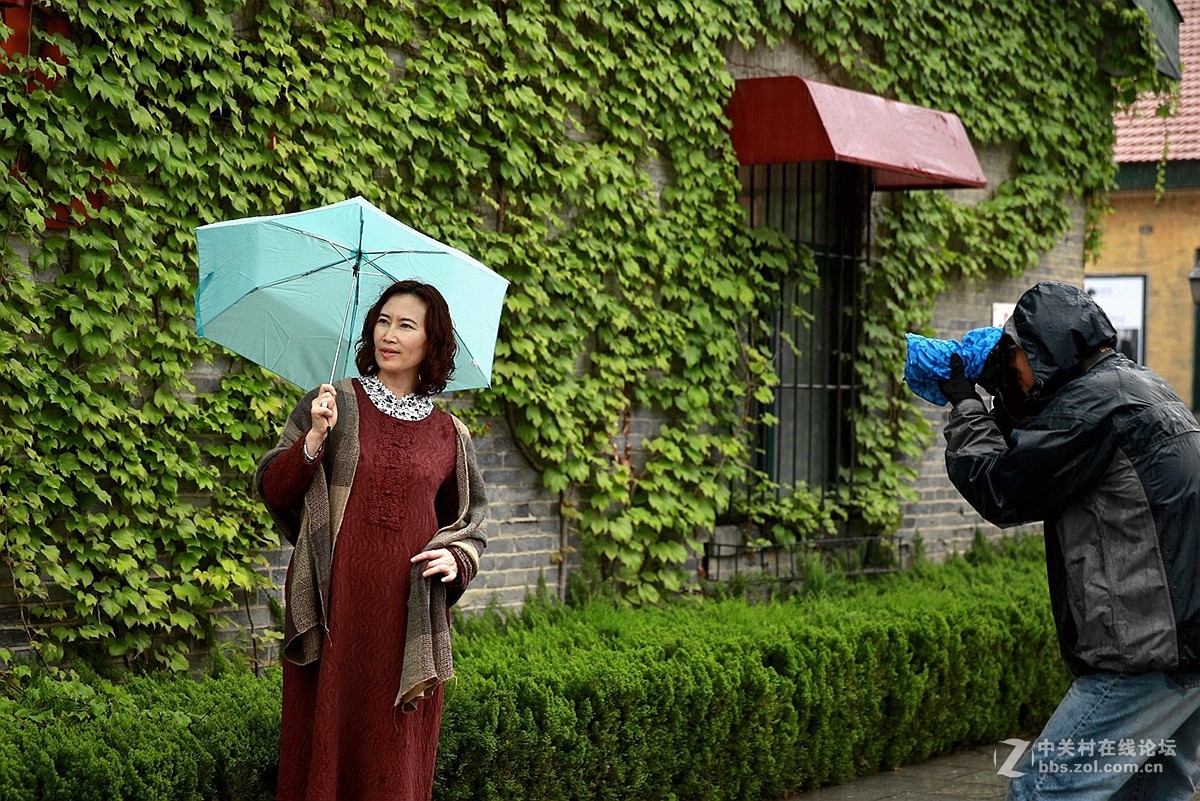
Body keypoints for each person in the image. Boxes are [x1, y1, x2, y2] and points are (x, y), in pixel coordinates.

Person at [937, 281, 1200, 801]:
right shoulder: (1141, 389)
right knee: (1149, 794)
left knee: (1044, 787)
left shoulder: (1092, 407)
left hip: (1146, 658)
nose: (1013, 371)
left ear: (1040, 350)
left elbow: (1002, 487)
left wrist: (967, 405)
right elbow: (1048, 443)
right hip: (1186, 654)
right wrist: (1006, 394)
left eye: (1014, 358)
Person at [256, 279, 488, 801]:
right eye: (383, 320)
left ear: (433, 343)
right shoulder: (332, 402)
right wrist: (315, 437)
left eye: (406, 325)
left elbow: (470, 523)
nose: (389, 334)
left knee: (395, 748)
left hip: (407, 618)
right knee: (322, 741)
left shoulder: (449, 433)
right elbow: (274, 488)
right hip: (334, 606)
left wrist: (456, 558)